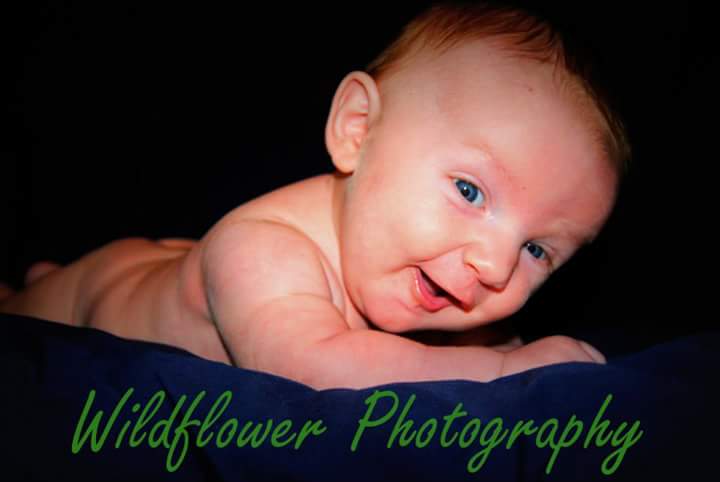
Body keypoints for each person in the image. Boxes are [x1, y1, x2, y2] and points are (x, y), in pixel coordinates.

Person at [0, 1, 629, 389]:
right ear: (357, 130)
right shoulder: (262, 253)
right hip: (102, 294)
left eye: (537, 250)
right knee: (50, 308)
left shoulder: (432, 274)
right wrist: (503, 372)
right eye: (470, 191)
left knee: (183, 268)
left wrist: (499, 345)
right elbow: (314, 370)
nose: (493, 265)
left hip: (184, 264)